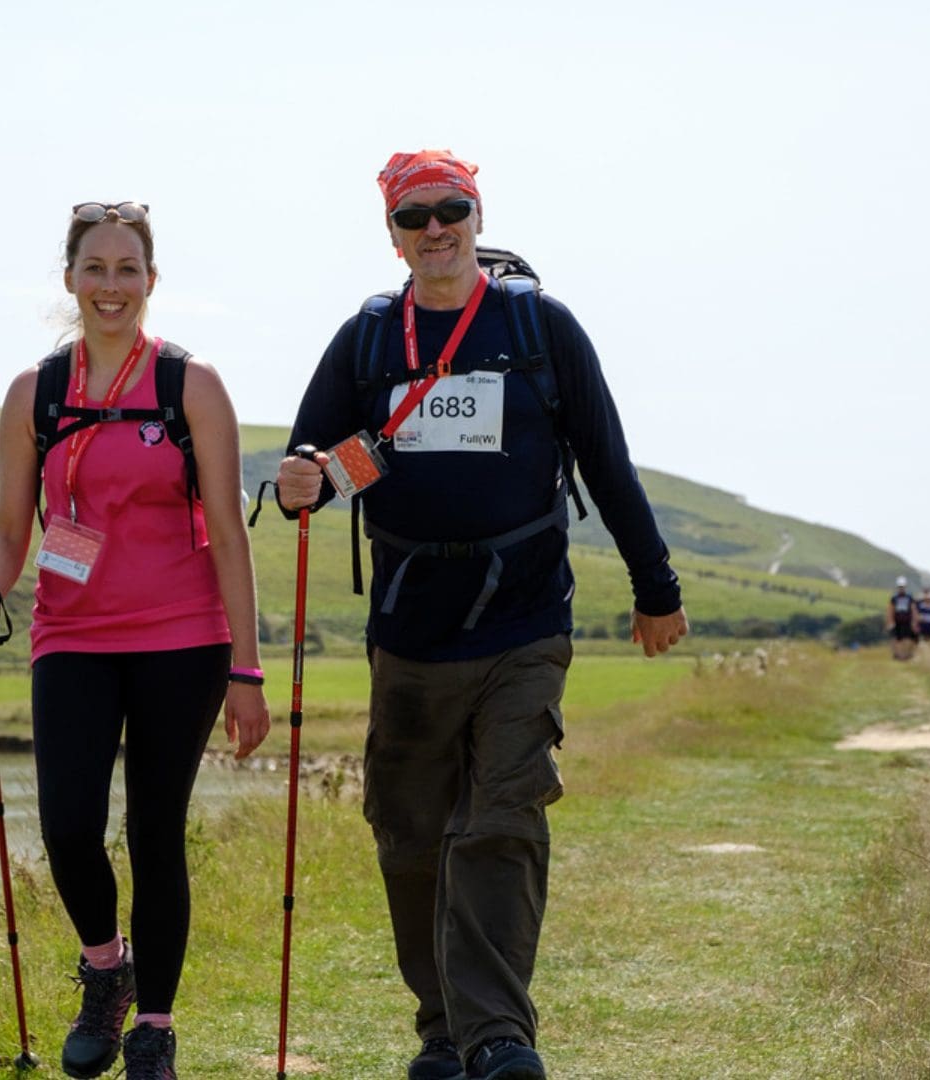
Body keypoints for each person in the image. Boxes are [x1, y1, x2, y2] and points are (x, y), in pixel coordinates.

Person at [273, 151, 688, 1080]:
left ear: (476, 212)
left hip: (525, 618)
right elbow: (312, 458)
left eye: (449, 209)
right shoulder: (369, 341)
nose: (435, 228)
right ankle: (443, 1031)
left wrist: (654, 586)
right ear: (392, 235)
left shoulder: (539, 327)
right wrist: (303, 476)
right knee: (413, 833)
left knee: (502, 815)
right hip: (410, 626)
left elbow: (608, 461)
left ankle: (499, 1035)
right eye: (413, 215)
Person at [0, 200, 271, 1080]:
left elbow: (231, 537)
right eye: (95, 268)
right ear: (69, 279)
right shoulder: (37, 393)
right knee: (66, 825)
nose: (110, 285)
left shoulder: (189, 386)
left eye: (128, 269)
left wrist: (247, 667)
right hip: (72, 635)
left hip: (183, 637)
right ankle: (106, 968)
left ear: (151, 282)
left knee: (154, 829)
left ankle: (155, 1031)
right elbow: (13, 529)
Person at [888, 578, 918, 660]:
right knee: (897, 639)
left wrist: (914, 622)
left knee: (907, 639)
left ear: (905, 587)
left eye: (903, 587)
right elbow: (891, 610)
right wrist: (890, 622)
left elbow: (913, 609)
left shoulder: (909, 597)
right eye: (900, 587)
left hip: (907, 621)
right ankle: (898, 655)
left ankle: (905, 655)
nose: (901, 588)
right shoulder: (894, 598)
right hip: (897, 621)